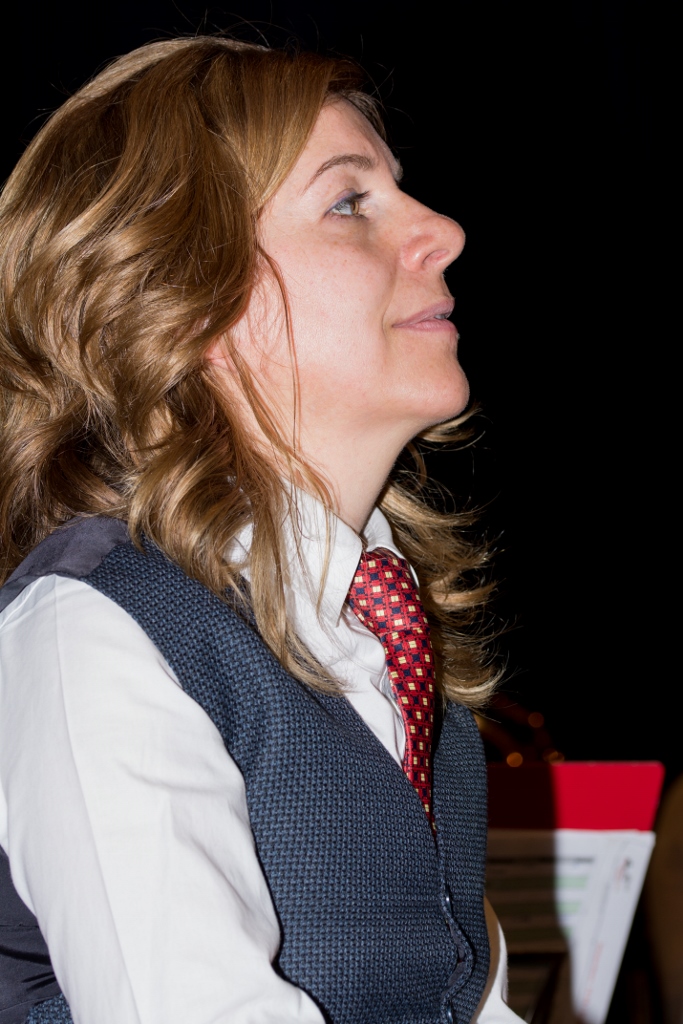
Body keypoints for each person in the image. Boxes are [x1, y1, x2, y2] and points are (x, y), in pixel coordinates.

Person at [0, 36, 522, 1024]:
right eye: (348, 202)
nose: (443, 231)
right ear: (175, 293)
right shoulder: (97, 631)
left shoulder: (391, 634)